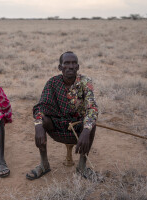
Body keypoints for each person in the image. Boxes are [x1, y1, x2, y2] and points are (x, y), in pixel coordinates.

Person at [26, 51, 98, 180]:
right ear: (60, 67)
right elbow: (41, 106)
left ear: (78, 67)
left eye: (74, 63)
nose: (70, 66)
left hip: (78, 128)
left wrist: (87, 130)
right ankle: (44, 164)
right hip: (58, 125)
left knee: (91, 125)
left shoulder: (85, 82)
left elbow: (91, 108)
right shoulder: (52, 83)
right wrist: (38, 125)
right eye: (66, 63)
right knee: (41, 120)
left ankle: (82, 167)